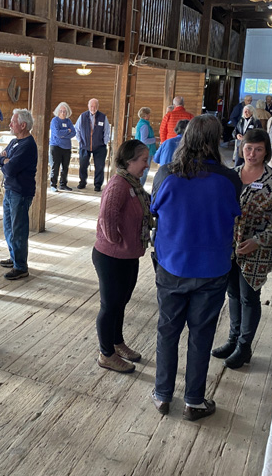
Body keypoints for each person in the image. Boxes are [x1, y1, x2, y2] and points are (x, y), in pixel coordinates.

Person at [150, 114, 242, 421]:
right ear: (216, 141)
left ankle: (162, 394)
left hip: (172, 264)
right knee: (201, 335)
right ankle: (193, 400)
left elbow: (155, 210)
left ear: (185, 138)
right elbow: (234, 211)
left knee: (167, 330)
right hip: (212, 268)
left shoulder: (165, 174)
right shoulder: (230, 179)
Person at [211, 129, 272, 369]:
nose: (252, 153)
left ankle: (245, 346)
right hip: (229, 247)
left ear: (266, 152)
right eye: (248, 148)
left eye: (258, 149)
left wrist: (258, 240)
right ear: (241, 148)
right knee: (232, 293)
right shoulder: (231, 176)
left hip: (257, 249)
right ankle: (233, 339)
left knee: (249, 296)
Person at [92, 140, 153, 373]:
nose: (147, 165)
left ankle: (117, 343)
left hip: (128, 255)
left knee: (120, 302)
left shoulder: (133, 184)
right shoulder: (118, 184)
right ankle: (106, 354)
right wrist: (118, 242)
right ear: (129, 161)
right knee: (110, 305)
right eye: (144, 160)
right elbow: (107, 218)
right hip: (111, 256)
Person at [0, 109, 37, 280]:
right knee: (8, 227)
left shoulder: (28, 145)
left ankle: (21, 266)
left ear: (23, 125)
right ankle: (14, 257)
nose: (10, 124)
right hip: (10, 190)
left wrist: (5, 161)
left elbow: (10, 170)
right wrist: (4, 159)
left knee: (18, 229)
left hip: (20, 192)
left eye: (13, 122)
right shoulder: (14, 142)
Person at [74, 98, 110, 192]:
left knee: (99, 166)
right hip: (85, 146)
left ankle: (97, 185)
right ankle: (82, 182)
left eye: (95, 106)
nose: (93, 108)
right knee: (83, 165)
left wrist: (104, 142)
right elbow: (76, 129)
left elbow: (107, 131)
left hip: (100, 147)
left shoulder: (103, 117)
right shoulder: (82, 116)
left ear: (97, 107)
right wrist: (80, 141)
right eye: (91, 106)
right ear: (88, 106)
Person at [49, 102, 75, 192]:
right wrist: (67, 131)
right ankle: (53, 184)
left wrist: (63, 134)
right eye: (61, 111)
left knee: (65, 167)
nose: (63, 113)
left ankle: (63, 184)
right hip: (56, 146)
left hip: (67, 147)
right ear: (58, 111)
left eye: (64, 111)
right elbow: (57, 133)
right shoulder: (54, 121)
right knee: (55, 166)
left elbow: (74, 133)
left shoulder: (69, 121)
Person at [134, 107, 157, 186]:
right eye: (149, 114)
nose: (150, 115)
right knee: (144, 170)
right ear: (145, 115)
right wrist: (155, 139)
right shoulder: (145, 126)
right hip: (146, 150)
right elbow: (144, 140)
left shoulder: (141, 123)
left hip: (141, 149)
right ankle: (140, 187)